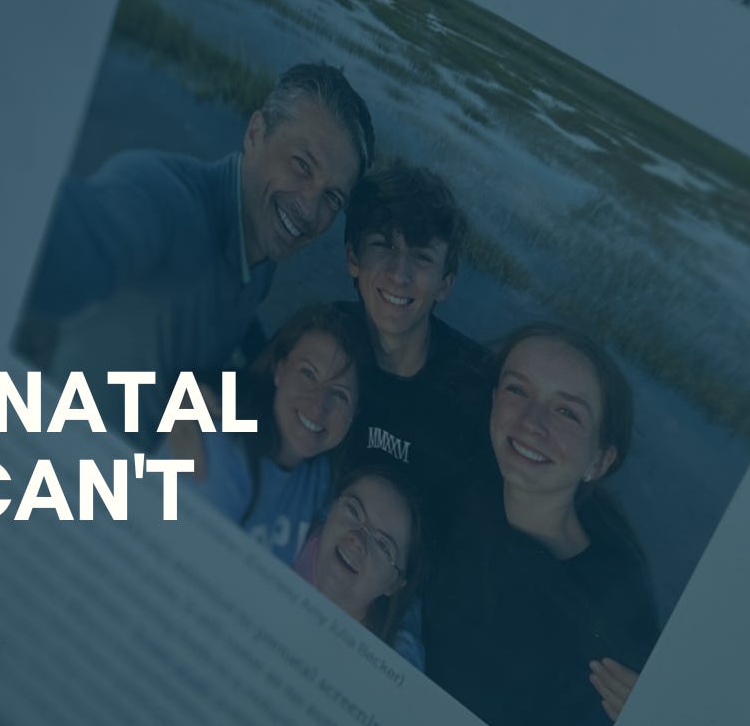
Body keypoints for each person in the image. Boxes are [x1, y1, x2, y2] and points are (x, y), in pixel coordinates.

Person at [14, 62, 375, 438]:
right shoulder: (161, 198)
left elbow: (232, 310)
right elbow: (58, 242)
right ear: (255, 134)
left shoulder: (264, 240)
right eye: (302, 165)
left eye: (332, 198)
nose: (309, 210)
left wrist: (274, 361)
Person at [425, 324, 659, 726]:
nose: (533, 422)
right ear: (495, 400)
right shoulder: (465, 480)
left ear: (599, 462)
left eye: (567, 412)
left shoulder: (611, 619)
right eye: (518, 390)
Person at [336, 164, 493, 515]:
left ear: (445, 284)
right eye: (383, 245)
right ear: (353, 258)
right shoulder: (323, 340)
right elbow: (247, 410)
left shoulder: (479, 388)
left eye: (421, 257)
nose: (399, 274)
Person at [168, 305, 362, 565]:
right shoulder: (218, 445)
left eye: (339, 394)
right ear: (279, 371)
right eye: (308, 374)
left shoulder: (321, 481)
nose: (318, 405)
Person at [292, 468, 424, 649]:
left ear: (394, 584)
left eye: (383, 546)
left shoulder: (396, 655)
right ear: (330, 508)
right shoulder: (285, 534)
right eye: (353, 510)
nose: (358, 540)